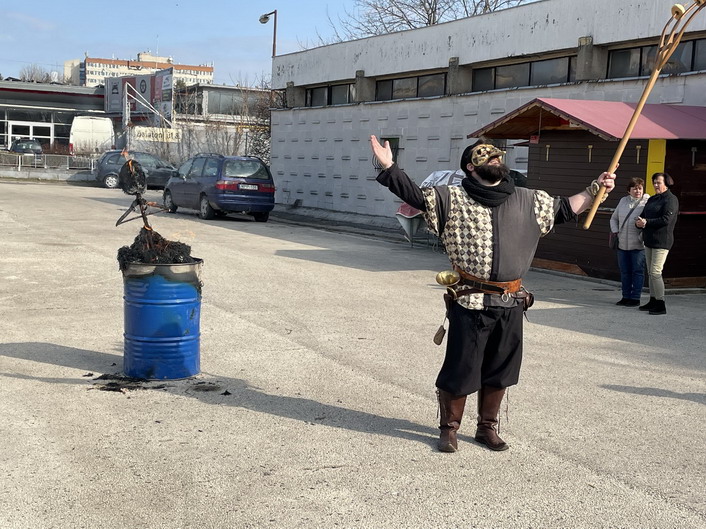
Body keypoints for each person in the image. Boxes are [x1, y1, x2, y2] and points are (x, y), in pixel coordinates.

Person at [370, 135, 616, 453]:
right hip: (470, 300)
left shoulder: (530, 199)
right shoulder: (451, 198)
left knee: (501, 369)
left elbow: (565, 209)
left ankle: (487, 427)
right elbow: (415, 196)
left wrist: (595, 189)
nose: (496, 160)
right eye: (486, 157)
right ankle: (449, 429)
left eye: (498, 156)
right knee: (461, 367)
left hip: (511, 301)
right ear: (471, 167)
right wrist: (389, 167)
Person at [635, 172, 679, 315]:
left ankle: (661, 304)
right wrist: (639, 222)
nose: (655, 185)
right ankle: (653, 300)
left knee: (655, 272)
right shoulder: (652, 199)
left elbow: (666, 219)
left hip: (662, 240)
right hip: (649, 240)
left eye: (658, 182)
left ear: (666, 183)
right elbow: (643, 215)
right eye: (654, 182)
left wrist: (647, 222)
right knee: (650, 272)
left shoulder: (671, 199)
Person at [609, 178, 649, 306]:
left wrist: (642, 233)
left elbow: (649, 222)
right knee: (625, 272)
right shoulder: (623, 201)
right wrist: (616, 232)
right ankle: (625, 296)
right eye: (635, 188)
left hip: (638, 245)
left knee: (637, 272)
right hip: (622, 244)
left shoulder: (647, 202)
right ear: (629, 190)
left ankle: (635, 298)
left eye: (640, 188)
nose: (638, 191)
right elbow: (613, 219)